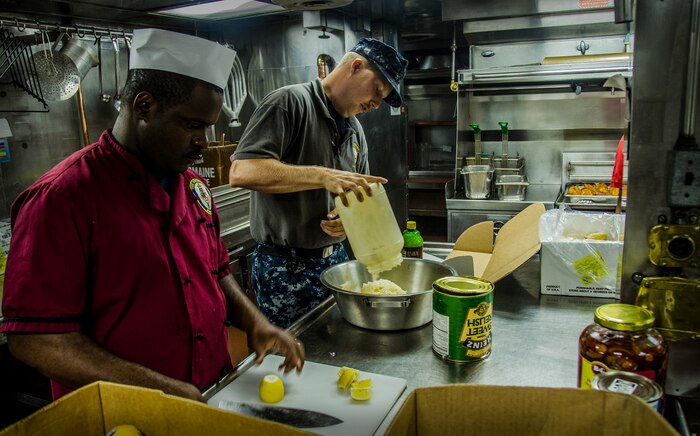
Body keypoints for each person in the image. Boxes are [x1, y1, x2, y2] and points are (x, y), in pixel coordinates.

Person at [0, 28, 303, 403]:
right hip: (123, 412)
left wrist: (254, 321)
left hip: (209, 395)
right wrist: (158, 390)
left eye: (207, 127)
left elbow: (216, 271)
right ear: (143, 106)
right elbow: (37, 340)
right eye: (192, 125)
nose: (204, 142)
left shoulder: (195, 189)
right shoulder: (61, 199)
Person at [229, 38, 408, 328]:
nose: (376, 104)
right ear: (356, 66)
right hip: (285, 267)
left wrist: (347, 220)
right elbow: (242, 171)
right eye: (377, 90)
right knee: (290, 357)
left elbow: (355, 195)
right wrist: (322, 175)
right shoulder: (288, 103)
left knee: (335, 349)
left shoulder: (355, 130)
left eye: (382, 98)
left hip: (335, 262)